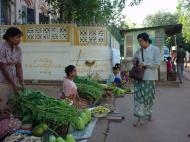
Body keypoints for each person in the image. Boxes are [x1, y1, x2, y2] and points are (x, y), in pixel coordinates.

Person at [133, 32, 161, 127]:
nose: (139, 43)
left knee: (149, 97)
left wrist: (145, 64)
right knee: (139, 98)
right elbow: (134, 60)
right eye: (139, 41)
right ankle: (140, 119)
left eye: (140, 41)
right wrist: (135, 62)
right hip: (139, 78)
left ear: (146, 40)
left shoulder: (155, 49)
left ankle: (149, 114)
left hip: (150, 78)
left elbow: (157, 64)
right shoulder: (138, 50)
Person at [0, 27, 24, 111]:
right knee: (2, 103)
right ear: (10, 37)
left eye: (20, 37)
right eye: (18, 37)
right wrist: (13, 84)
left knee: (12, 103)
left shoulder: (18, 49)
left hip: (13, 79)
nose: (20, 39)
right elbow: (3, 68)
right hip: (2, 80)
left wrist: (21, 81)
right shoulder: (1, 47)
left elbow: (19, 66)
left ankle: (9, 122)